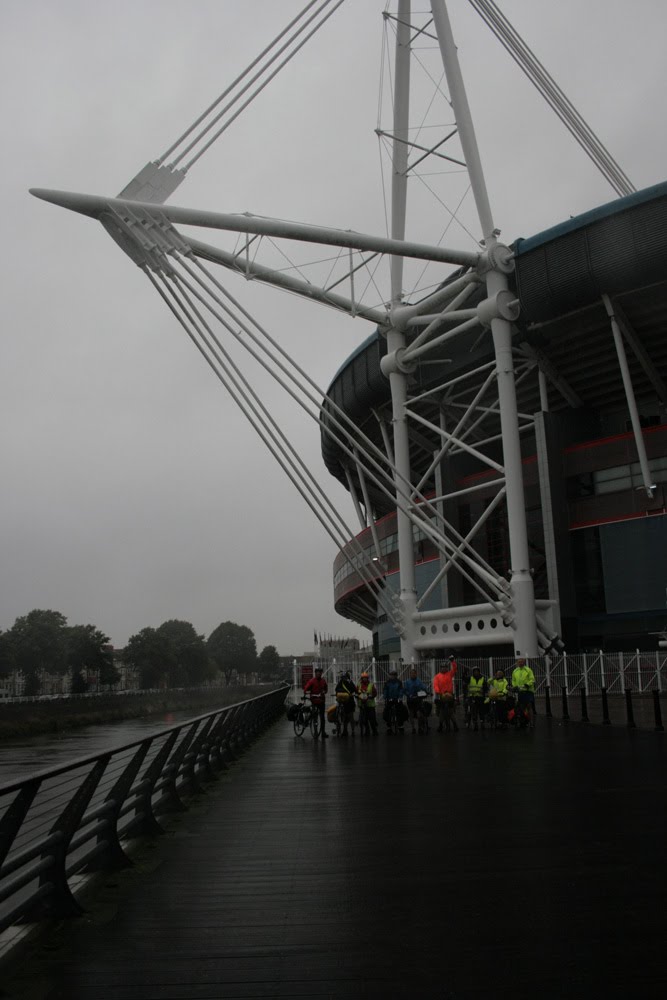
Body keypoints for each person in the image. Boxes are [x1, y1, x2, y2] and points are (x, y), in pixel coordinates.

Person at [433, 655, 458, 732]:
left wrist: (453, 661)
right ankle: (440, 725)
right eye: (442, 667)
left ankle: (455, 725)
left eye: (445, 667)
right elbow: (435, 685)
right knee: (441, 711)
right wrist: (438, 692)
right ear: (440, 668)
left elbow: (454, 669)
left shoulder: (449, 674)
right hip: (441, 695)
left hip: (450, 695)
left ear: (447, 668)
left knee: (451, 711)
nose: (444, 668)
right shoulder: (437, 676)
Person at [303, 666, 328, 738]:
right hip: (314, 701)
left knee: (322, 718)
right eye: (317, 672)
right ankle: (316, 732)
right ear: (315, 673)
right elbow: (306, 688)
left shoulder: (323, 681)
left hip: (322, 701)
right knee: (315, 717)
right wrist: (305, 692)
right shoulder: (312, 681)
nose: (319, 674)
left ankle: (323, 732)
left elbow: (326, 689)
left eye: (320, 672)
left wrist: (324, 691)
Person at [511, 657, 536, 728]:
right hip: (520, 691)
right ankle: (524, 721)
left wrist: (527, 684)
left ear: (524, 662)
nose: (520, 663)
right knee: (521, 707)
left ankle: (531, 722)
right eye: (519, 662)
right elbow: (513, 680)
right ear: (517, 663)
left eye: (521, 662)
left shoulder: (528, 670)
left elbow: (532, 679)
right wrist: (515, 686)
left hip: (528, 691)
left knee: (529, 706)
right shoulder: (515, 671)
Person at [403, 666, 429, 734]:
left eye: (414, 673)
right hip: (410, 700)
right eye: (411, 673)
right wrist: (409, 695)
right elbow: (405, 690)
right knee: (411, 713)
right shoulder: (407, 682)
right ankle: (413, 728)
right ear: (410, 674)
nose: (413, 675)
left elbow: (423, 687)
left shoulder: (419, 681)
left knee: (419, 713)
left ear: (416, 674)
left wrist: (426, 691)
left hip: (418, 699)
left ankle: (420, 727)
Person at [382, 668, 406, 733]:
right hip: (389, 699)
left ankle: (400, 725)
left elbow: (401, 690)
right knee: (386, 711)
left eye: (394, 675)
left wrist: (400, 697)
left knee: (401, 710)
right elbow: (385, 690)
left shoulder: (399, 682)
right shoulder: (387, 682)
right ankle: (389, 727)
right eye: (391, 675)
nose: (392, 676)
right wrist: (385, 696)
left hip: (397, 699)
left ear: (396, 676)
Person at [335, 670, 357, 736]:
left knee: (350, 717)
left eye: (345, 677)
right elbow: (337, 689)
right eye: (343, 677)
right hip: (343, 701)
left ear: (348, 677)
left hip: (350, 701)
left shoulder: (350, 682)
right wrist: (343, 691)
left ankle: (352, 731)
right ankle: (345, 730)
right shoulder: (341, 682)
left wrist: (349, 689)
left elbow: (354, 689)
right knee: (344, 716)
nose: (344, 679)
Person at [356, 671, 378, 736]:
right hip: (362, 705)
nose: (364, 679)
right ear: (361, 678)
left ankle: (374, 730)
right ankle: (367, 730)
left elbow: (375, 693)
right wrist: (357, 695)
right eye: (363, 678)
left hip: (370, 705)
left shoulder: (371, 685)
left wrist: (372, 696)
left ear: (367, 678)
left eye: (365, 678)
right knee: (364, 719)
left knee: (372, 719)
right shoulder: (359, 685)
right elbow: (357, 692)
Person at [467, 666, 488, 731]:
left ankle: (482, 723)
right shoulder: (470, 678)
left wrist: (484, 692)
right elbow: (464, 680)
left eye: (477, 671)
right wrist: (465, 673)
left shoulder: (483, 679)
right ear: (473, 672)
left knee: (481, 711)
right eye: (474, 671)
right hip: (472, 697)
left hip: (480, 697)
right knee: (474, 711)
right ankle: (475, 723)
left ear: (479, 672)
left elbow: (485, 688)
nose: (476, 672)